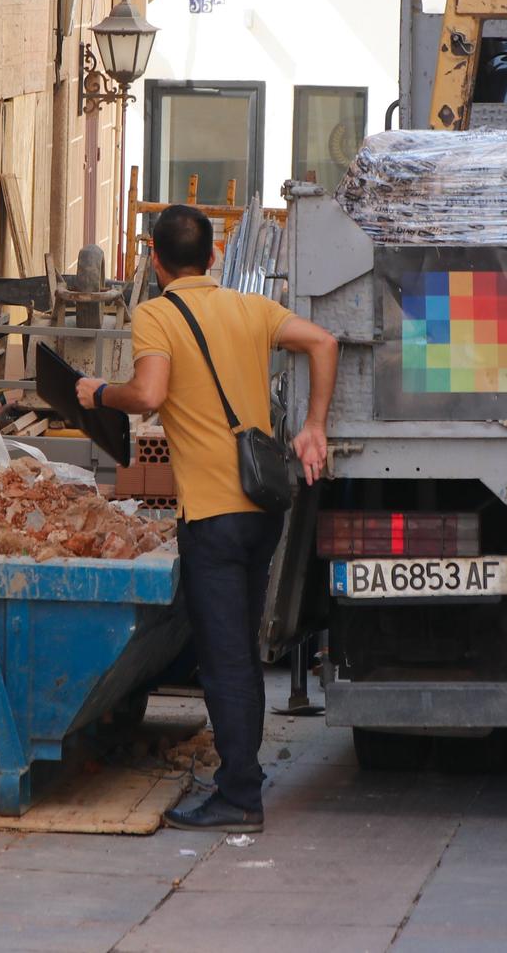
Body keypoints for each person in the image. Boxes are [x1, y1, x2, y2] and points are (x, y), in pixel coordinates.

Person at [76, 205, 339, 834]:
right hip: (262, 509)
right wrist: (313, 427)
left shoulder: (157, 313)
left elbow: (149, 394)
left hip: (213, 517)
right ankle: (242, 773)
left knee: (223, 662)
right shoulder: (250, 308)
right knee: (241, 654)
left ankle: (240, 797)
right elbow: (324, 342)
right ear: (215, 256)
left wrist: (97, 393)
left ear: (156, 262)